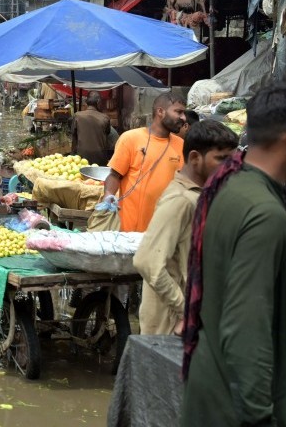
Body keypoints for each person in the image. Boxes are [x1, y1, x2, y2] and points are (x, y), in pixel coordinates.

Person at [181, 82, 286, 426]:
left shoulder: (229, 186)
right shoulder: (265, 214)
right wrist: (261, 413)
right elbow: (245, 326)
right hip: (234, 407)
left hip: (217, 387)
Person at [132, 120, 238, 336]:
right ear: (195, 158)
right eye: (221, 159)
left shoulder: (198, 195)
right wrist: (185, 309)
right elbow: (147, 262)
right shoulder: (180, 200)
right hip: (170, 327)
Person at [101, 92, 186, 233]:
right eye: (178, 112)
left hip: (163, 232)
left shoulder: (181, 145)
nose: (183, 118)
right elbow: (115, 175)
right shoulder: (130, 139)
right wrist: (108, 194)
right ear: (160, 111)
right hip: (130, 232)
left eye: (184, 113)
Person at [73, 92, 114, 166]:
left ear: (86, 102)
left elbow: (74, 135)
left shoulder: (77, 116)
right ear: (98, 102)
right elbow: (107, 133)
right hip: (99, 157)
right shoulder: (105, 118)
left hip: (81, 156)